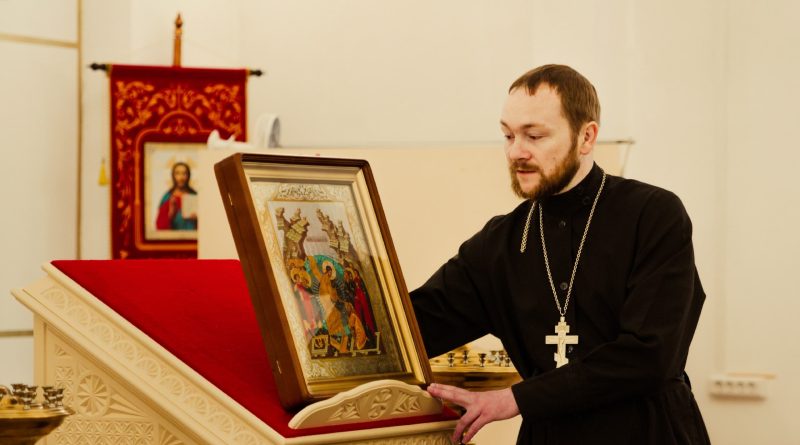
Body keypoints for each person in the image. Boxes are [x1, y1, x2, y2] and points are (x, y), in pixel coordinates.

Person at [410, 64, 710, 444]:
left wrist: (516, 398)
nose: (516, 152)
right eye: (508, 135)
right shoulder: (500, 243)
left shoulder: (653, 215)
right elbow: (413, 326)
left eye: (534, 136)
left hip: (648, 433)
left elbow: (649, 355)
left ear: (586, 137)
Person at [155, 162, 198, 230]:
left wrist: (197, 220)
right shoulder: (167, 197)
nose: (181, 177)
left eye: (184, 173)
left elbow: (206, 222)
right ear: (173, 176)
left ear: (188, 176)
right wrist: (171, 214)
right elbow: (160, 226)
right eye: (177, 173)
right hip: (173, 235)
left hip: (193, 235)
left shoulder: (195, 196)